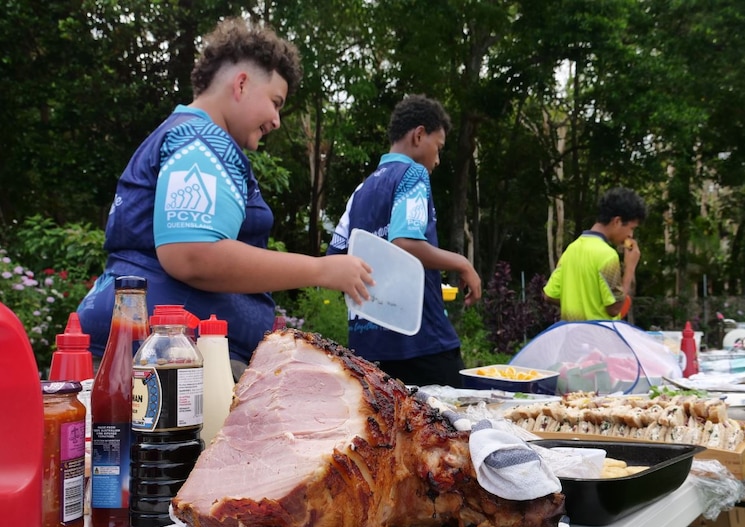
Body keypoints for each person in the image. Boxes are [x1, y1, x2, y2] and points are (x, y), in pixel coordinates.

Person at [77, 18, 372, 377]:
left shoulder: (179, 133)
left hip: (143, 355)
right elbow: (192, 254)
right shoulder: (203, 141)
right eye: (275, 102)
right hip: (164, 371)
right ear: (242, 84)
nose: (277, 120)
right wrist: (322, 270)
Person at [326, 94, 482, 386]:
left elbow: (333, 260)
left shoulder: (361, 191)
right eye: (438, 147)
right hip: (421, 342)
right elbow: (404, 242)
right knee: (461, 425)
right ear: (419, 135)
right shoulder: (413, 174)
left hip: (368, 347)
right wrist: (462, 263)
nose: (436, 159)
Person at [543, 187, 646, 321]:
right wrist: (630, 267)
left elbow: (549, 295)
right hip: (598, 339)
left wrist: (581, 305)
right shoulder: (607, 255)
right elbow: (615, 308)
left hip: (573, 337)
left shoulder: (571, 250)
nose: (631, 235)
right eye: (631, 228)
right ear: (617, 221)